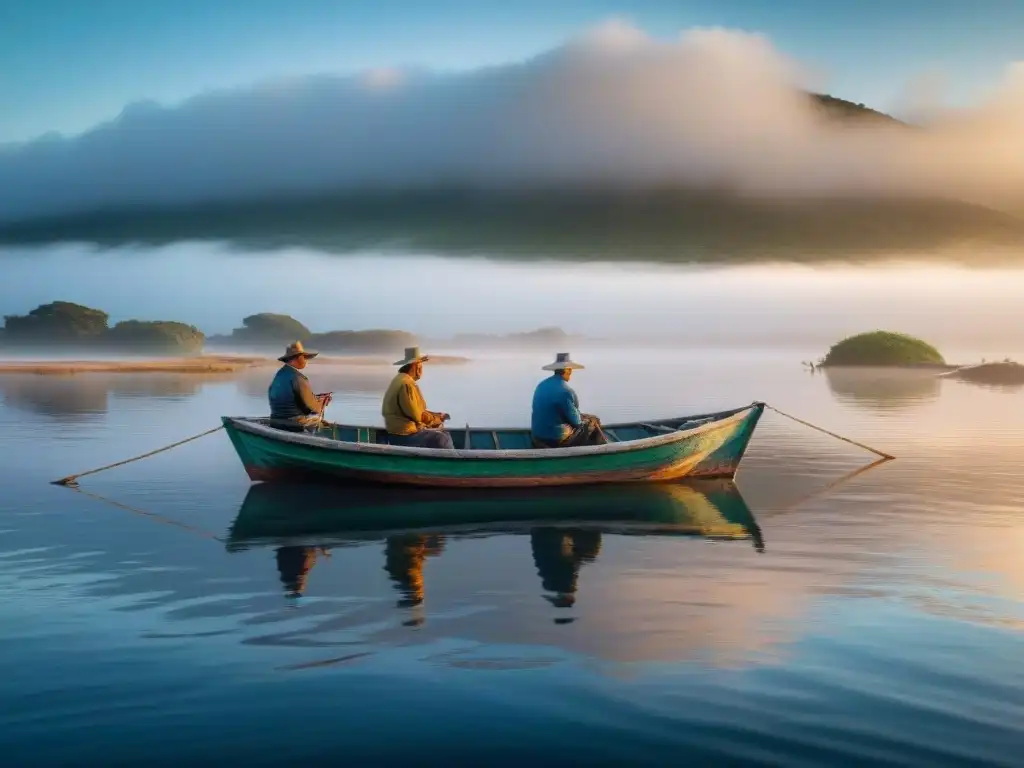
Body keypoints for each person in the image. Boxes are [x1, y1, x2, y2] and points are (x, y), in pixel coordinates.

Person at [381, 346, 455, 449]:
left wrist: (436, 416)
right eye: (421, 364)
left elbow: (416, 411)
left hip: (397, 434)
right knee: (442, 439)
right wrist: (438, 418)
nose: (422, 368)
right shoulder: (407, 384)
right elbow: (417, 416)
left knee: (443, 433)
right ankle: (451, 463)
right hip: (404, 436)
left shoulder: (399, 379)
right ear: (416, 366)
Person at [531, 352, 607, 448]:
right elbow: (577, 422)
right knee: (593, 422)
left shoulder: (541, 385)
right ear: (567, 370)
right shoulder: (566, 391)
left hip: (537, 436)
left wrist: (581, 416)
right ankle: (597, 453)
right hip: (553, 440)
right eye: (570, 370)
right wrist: (589, 419)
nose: (571, 372)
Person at [267, 341, 331, 432]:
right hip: (294, 424)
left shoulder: (278, 376)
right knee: (322, 424)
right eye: (304, 357)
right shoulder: (298, 378)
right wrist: (322, 403)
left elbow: (291, 400)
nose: (306, 361)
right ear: (298, 357)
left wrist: (316, 398)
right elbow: (310, 408)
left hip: (275, 423)